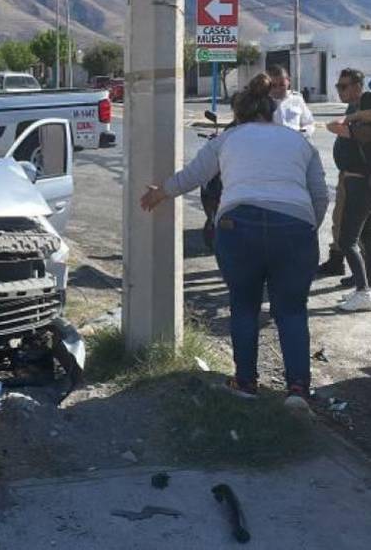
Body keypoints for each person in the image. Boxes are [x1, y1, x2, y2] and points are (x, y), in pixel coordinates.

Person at [141, 81, 329, 409]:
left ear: (238, 116)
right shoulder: (299, 142)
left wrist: (160, 193)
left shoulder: (227, 139)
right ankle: (298, 389)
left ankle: (245, 383)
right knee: (291, 311)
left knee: (244, 307)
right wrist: (307, 226)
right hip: (295, 228)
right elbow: (320, 195)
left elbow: (193, 175)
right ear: (273, 113)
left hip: (237, 227)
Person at [326, 91, 371, 312]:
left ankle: (363, 291)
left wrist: (355, 115)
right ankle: (367, 289)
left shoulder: (365, 130)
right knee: (368, 241)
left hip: (360, 190)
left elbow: (332, 125)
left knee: (347, 241)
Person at [317, 68, 367, 278]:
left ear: (357, 87)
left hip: (358, 177)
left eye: (343, 86)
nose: (339, 90)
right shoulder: (353, 107)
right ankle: (337, 261)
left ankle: (361, 275)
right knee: (341, 220)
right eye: (338, 86)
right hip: (347, 174)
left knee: (354, 226)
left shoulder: (364, 108)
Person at [265, 65, 314, 139]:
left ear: (289, 82)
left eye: (282, 85)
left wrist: (301, 135)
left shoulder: (297, 99)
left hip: (295, 144)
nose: (278, 89)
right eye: (273, 86)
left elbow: (308, 123)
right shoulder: (262, 102)